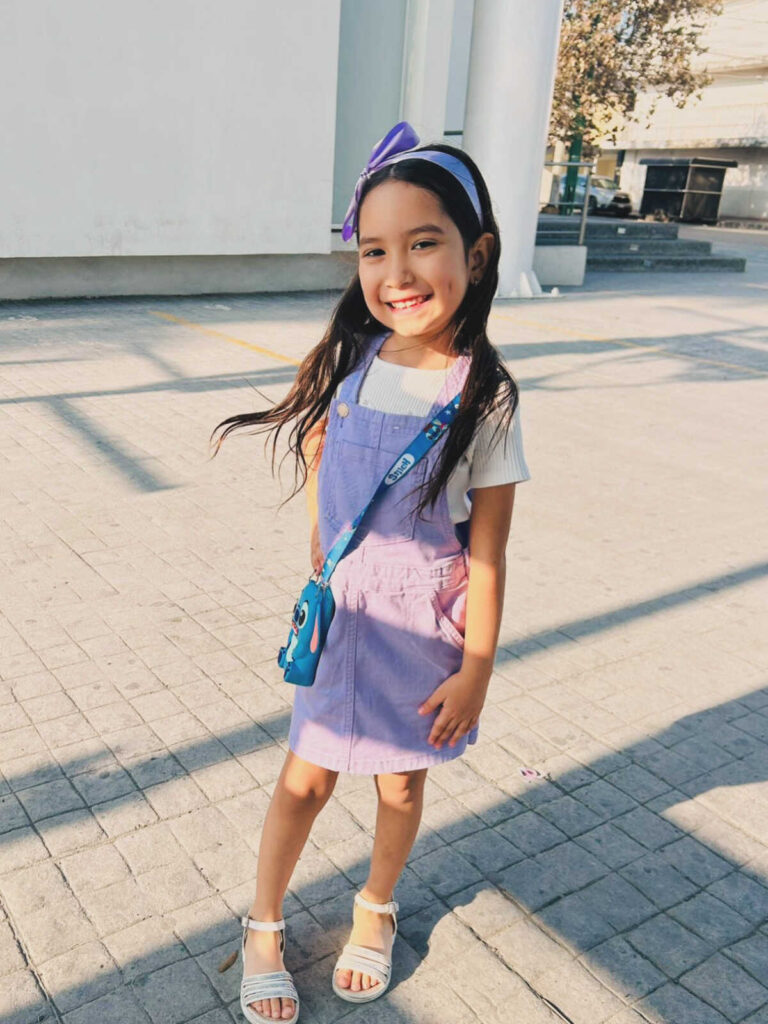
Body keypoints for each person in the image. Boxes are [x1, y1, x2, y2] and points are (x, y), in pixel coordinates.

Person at [210, 121, 530, 1023]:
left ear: (476, 252)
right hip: (344, 616)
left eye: (423, 243)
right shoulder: (353, 359)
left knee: (399, 782)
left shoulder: (486, 397)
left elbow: (490, 552)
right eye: (375, 250)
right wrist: (323, 533)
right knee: (305, 779)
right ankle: (263, 925)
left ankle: (376, 910)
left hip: (424, 630)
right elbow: (323, 442)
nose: (397, 273)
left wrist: (476, 669)